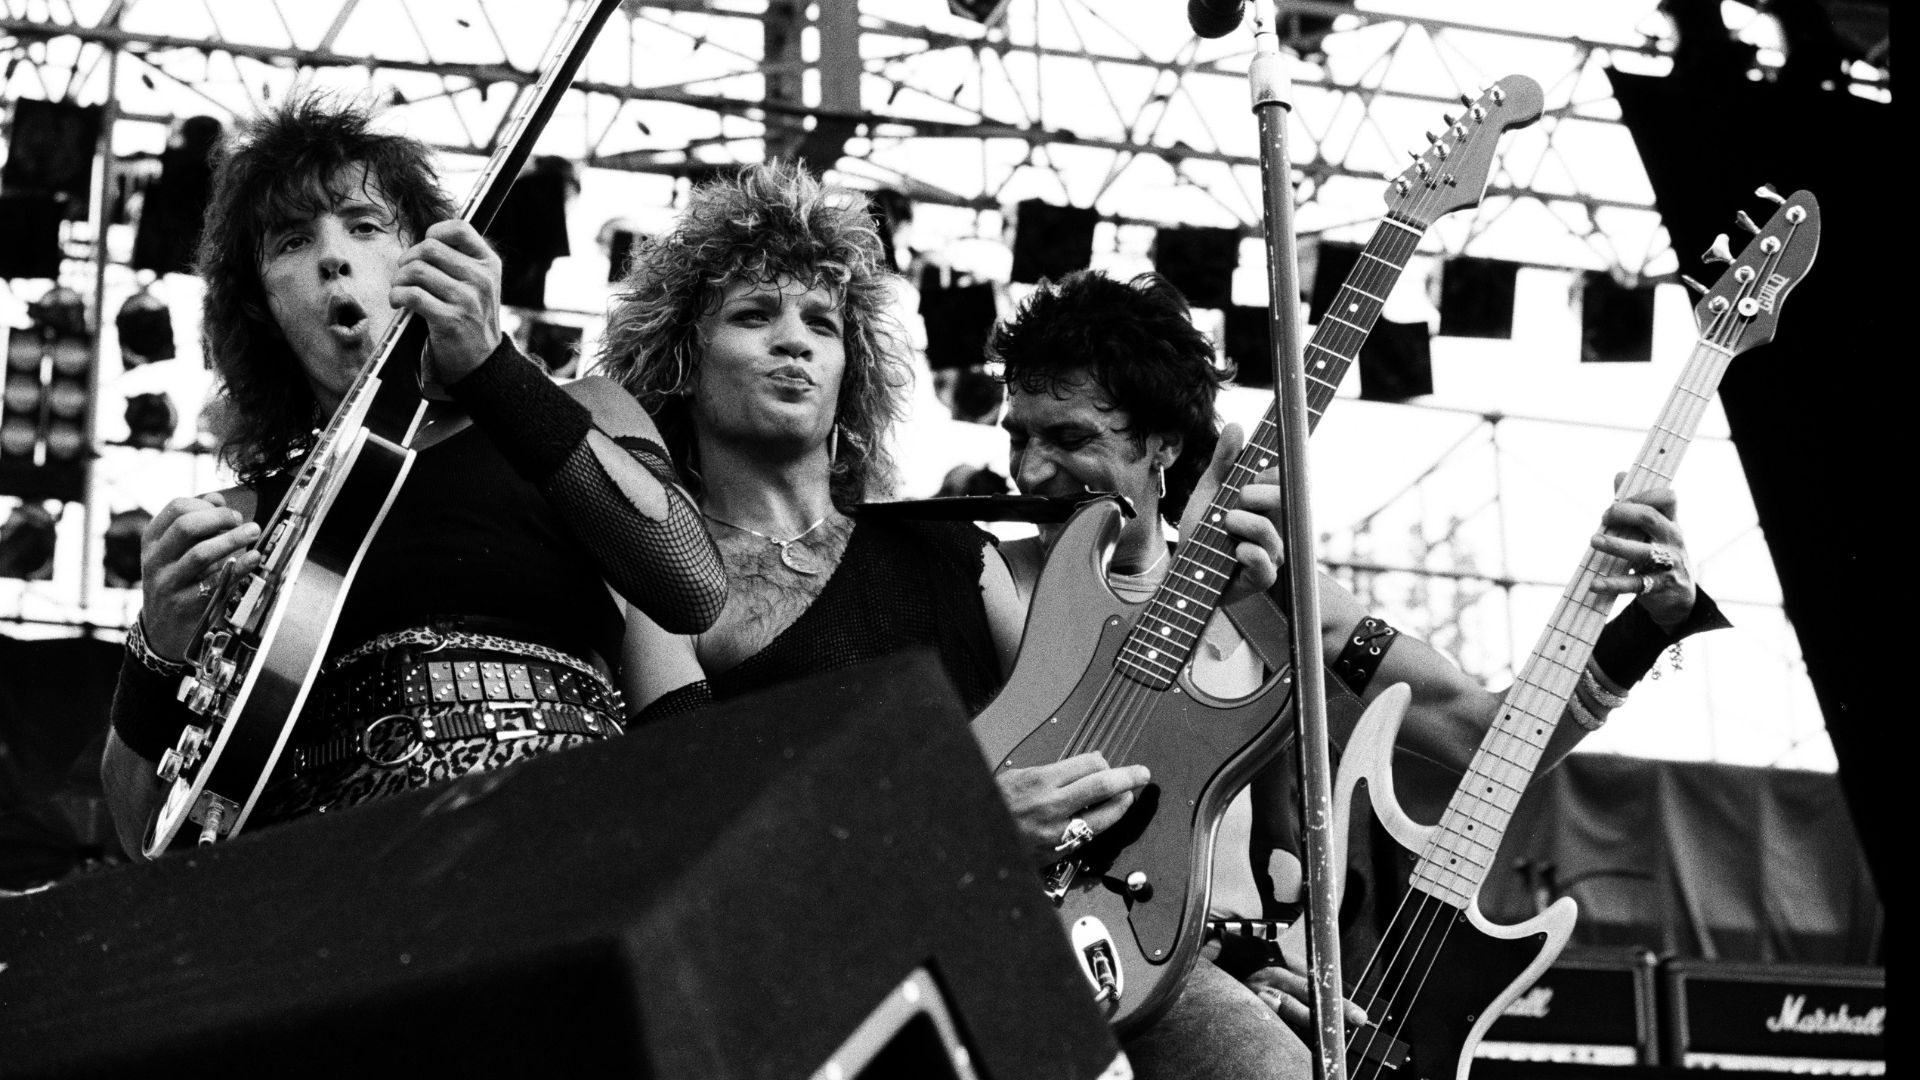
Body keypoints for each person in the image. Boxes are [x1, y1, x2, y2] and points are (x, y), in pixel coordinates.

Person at [988, 268, 1730, 1077]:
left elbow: (1483, 737)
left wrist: (1647, 623)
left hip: (1238, 978)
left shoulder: (1263, 595)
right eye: (1017, 437)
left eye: (1069, 439)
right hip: (1045, 951)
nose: (1029, 470)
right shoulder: (981, 580)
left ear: (1163, 443)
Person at [602, 162, 1288, 869]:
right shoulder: (659, 582)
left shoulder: (960, 552)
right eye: (753, 315)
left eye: (822, 323)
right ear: (681, 361)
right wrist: (964, 820)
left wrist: (1192, 579)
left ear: (852, 369)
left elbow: (1103, 753)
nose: (794, 340)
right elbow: (694, 835)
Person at [100, 94, 727, 855]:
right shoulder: (240, 523)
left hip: (560, 845)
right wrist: (158, 646)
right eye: (293, 241)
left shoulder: (583, 413)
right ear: (262, 305)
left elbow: (690, 585)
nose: (334, 256)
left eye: (365, 226)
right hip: (341, 883)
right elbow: (141, 831)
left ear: (425, 257)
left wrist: (493, 372)